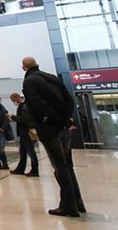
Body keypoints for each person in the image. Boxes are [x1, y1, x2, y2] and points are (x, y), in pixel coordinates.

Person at [21, 56, 85, 218]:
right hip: (63, 127)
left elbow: (38, 104)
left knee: (60, 167)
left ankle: (68, 205)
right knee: (68, 166)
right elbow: (68, 99)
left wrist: (52, 119)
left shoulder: (29, 82)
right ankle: (77, 202)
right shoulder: (52, 78)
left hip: (51, 129)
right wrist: (65, 118)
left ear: (24, 68)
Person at [8, 92, 39, 177]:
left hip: (26, 132)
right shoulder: (23, 106)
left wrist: (13, 117)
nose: (13, 102)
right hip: (23, 132)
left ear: (16, 98)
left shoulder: (25, 106)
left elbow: (24, 119)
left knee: (30, 151)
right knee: (23, 151)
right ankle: (20, 169)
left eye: (13, 100)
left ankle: (35, 170)